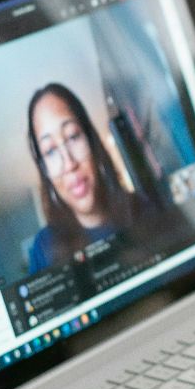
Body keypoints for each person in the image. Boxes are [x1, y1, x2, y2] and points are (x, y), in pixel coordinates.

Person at [24, 81, 150, 273]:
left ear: (92, 142)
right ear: (45, 171)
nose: (69, 163)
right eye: (50, 151)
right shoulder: (43, 249)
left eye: (73, 136)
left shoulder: (144, 208)